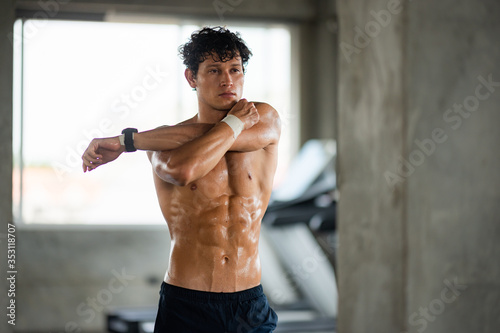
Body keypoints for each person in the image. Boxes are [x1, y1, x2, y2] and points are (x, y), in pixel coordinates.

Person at [81, 26, 280, 332]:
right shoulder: (162, 145)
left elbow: (212, 135)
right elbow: (184, 171)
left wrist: (128, 140)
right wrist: (235, 122)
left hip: (249, 305)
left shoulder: (264, 118)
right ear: (191, 78)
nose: (228, 80)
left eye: (235, 70)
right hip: (188, 304)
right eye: (214, 70)